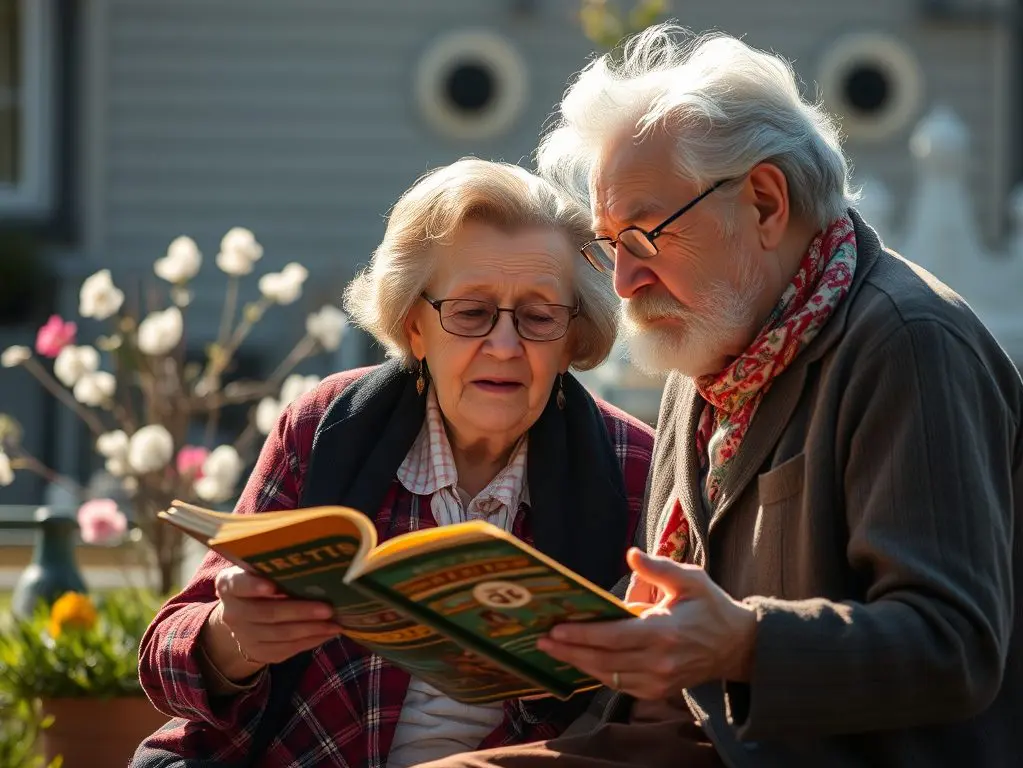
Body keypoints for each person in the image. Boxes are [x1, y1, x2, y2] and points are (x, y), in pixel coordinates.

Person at [417, 24, 1023, 768]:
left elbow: (952, 647)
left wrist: (746, 641)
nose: (623, 283)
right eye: (610, 247)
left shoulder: (908, 342)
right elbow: (681, 602)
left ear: (765, 203)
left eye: (643, 238)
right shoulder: (714, 342)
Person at [133, 158, 655, 768]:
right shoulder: (326, 424)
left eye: (539, 317)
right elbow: (164, 665)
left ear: (574, 336)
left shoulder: (636, 467)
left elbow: (656, 710)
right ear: (413, 327)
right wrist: (234, 639)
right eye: (470, 312)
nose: (506, 346)